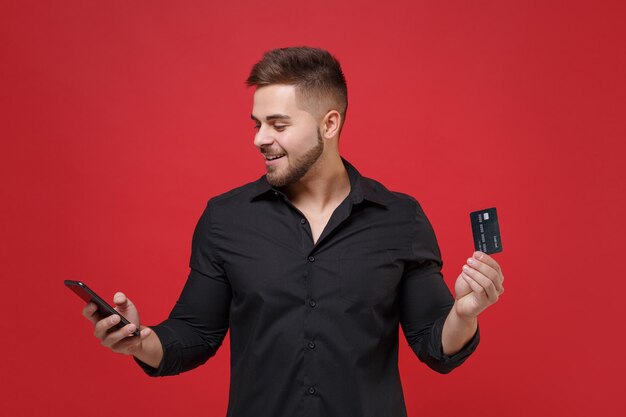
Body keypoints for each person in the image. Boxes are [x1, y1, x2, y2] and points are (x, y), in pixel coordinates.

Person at [82, 46, 505, 417]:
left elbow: (436, 346)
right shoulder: (226, 218)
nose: (260, 139)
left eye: (278, 125)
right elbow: (194, 335)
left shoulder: (400, 217)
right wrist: (140, 341)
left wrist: (463, 315)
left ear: (330, 123)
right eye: (256, 124)